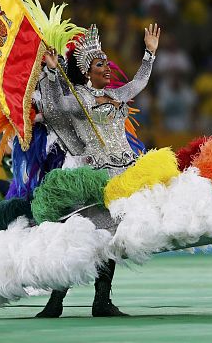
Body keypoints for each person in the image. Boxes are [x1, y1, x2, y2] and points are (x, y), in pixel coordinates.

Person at [34, 23, 160, 317]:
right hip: (96, 177)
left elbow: (138, 83)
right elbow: (53, 109)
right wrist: (53, 73)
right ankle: (55, 302)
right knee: (81, 238)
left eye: (107, 63)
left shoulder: (118, 94)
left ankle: (102, 301)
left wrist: (149, 55)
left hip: (126, 174)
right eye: (100, 64)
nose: (107, 68)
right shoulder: (78, 98)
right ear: (88, 71)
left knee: (113, 238)